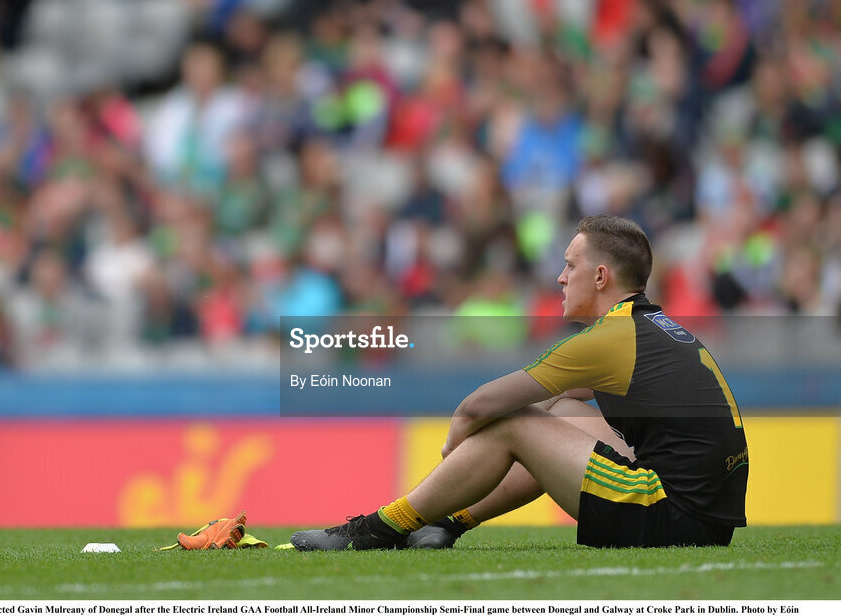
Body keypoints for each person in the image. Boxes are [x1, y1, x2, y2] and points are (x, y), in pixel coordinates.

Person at [291, 214, 748, 550]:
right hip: (704, 518)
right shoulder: (654, 327)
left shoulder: (610, 337)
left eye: (570, 266)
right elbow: (563, 399)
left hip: (670, 516)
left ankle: (377, 529)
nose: (560, 277)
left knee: (516, 423)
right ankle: (446, 523)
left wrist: (456, 446)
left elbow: (479, 405)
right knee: (558, 412)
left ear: (601, 276)